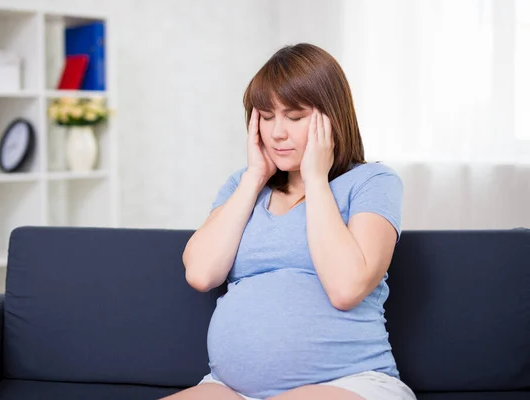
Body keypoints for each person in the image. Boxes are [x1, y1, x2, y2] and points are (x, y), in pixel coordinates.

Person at [162, 43, 416, 400]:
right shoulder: (242, 186)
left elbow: (346, 289)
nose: (277, 132)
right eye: (266, 117)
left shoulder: (372, 182)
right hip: (228, 390)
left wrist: (316, 178)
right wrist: (254, 177)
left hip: (350, 383)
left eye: (295, 118)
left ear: (333, 117)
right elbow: (201, 274)